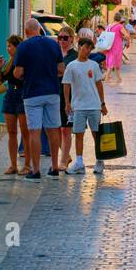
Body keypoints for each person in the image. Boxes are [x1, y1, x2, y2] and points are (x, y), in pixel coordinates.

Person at [10, 18, 66, 179]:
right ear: (40, 29)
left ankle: (35, 170)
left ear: (26, 32)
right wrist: (48, 75)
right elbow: (61, 70)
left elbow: (18, 73)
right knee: (53, 129)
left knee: (34, 131)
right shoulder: (53, 44)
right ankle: (55, 167)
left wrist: (21, 75)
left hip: (32, 93)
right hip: (52, 92)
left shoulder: (24, 47)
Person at [63, 33, 109, 177]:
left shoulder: (94, 65)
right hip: (78, 106)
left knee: (96, 134)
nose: (88, 51)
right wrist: (67, 103)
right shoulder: (71, 66)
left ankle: (100, 160)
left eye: (90, 48)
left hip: (94, 106)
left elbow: (99, 85)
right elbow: (66, 85)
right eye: (86, 47)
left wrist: (102, 104)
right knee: (79, 134)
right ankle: (79, 163)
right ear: (79, 47)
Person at [0, 33, 28, 175]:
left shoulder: (23, 61)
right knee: (12, 132)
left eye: (10, 46)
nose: (8, 49)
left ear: (17, 47)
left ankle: (27, 165)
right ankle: (13, 165)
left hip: (21, 95)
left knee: (25, 133)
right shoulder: (9, 62)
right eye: (7, 46)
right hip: (10, 96)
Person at [56, 25, 78, 172]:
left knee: (66, 130)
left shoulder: (75, 56)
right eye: (60, 38)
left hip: (70, 97)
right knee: (55, 128)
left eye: (65, 38)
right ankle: (66, 154)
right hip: (54, 94)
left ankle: (63, 160)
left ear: (71, 39)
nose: (62, 41)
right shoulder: (56, 54)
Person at [104, 11, 129, 85]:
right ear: (120, 19)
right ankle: (107, 78)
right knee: (114, 61)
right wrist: (124, 37)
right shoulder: (119, 26)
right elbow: (127, 35)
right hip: (116, 46)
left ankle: (119, 78)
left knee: (112, 61)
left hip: (109, 45)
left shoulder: (109, 26)